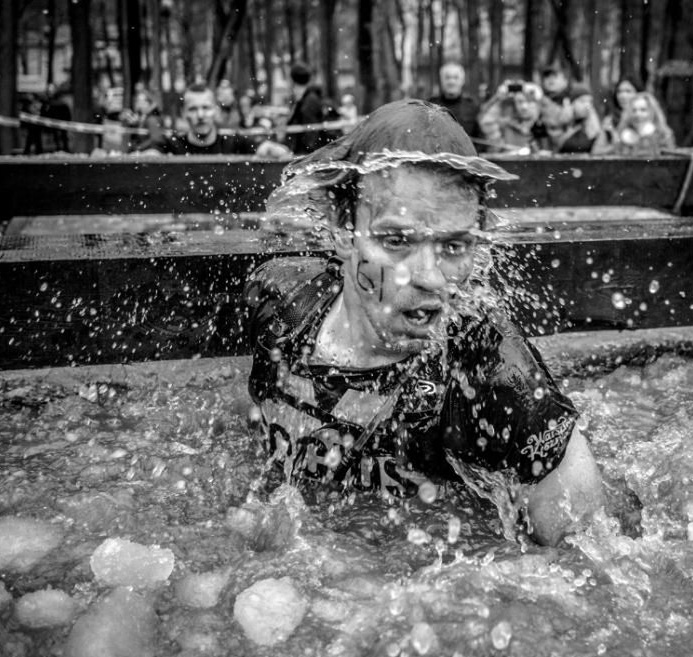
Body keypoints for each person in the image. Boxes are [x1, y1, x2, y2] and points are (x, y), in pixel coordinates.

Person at [245, 99, 632, 546]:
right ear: (342, 225)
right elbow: (255, 420)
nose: (430, 278)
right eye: (396, 240)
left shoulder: (488, 369)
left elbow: (591, 558)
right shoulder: (282, 303)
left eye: (453, 246)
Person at [151, 84, 290, 157]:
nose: (200, 115)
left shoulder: (232, 142)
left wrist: (272, 149)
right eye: (193, 109)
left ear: (215, 110)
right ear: (184, 113)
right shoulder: (172, 145)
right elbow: (150, 154)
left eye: (206, 107)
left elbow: (260, 147)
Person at [477, 80, 549, 153]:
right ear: (514, 104)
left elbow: (559, 120)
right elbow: (486, 123)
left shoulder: (545, 124)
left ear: (538, 104)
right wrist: (498, 99)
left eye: (529, 101)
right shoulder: (505, 127)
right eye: (520, 102)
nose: (524, 107)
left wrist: (542, 98)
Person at [286, 62, 335, 155]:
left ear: (293, 81)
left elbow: (312, 133)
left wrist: (308, 154)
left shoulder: (309, 101)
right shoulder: (305, 98)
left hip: (309, 154)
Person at [428, 62, 482, 144]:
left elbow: (480, 139)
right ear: (441, 80)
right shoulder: (429, 106)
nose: (451, 82)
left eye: (456, 78)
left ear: (462, 81)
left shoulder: (472, 107)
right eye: (447, 77)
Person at [612, 91, 675, 156]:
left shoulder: (663, 135)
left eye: (643, 110)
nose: (637, 114)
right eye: (634, 110)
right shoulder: (622, 135)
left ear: (652, 112)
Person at [555, 85, 609, 154]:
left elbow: (597, 152)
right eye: (582, 101)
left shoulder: (594, 126)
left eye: (590, 102)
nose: (587, 105)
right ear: (571, 103)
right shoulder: (560, 123)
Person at [120, 88, 164, 152]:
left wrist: (138, 148)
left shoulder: (152, 119)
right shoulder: (143, 118)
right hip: (146, 152)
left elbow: (156, 139)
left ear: (149, 103)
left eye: (141, 101)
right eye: (137, 101)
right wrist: (134, 125)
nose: (138, 104)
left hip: (152, 153)